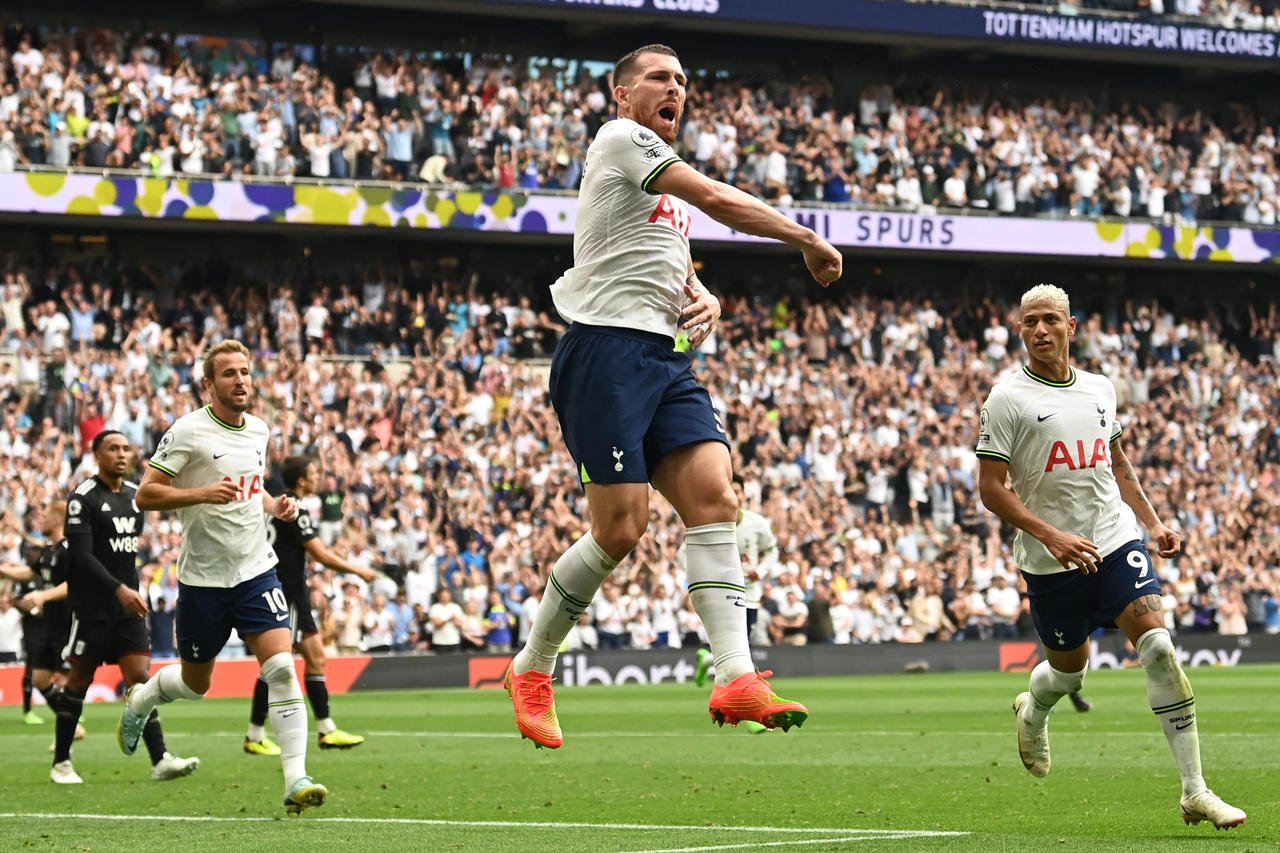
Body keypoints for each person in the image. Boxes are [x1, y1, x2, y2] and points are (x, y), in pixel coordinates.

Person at [505, 43, 842, 749]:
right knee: (622, 529)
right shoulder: (622, 138)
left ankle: (736, 677)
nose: (676, 89)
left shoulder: (653, 184)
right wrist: (804, 235)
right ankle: (532, 667)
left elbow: (664, 258)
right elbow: (717, 199)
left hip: (665, 356)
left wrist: (705, 296)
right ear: (620, 93)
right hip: (604, 352)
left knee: (716, 497)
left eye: (684, 81)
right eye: (660, 77)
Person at [975, 284, 1245, 830]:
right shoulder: (1007, 399)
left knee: (1160, 647)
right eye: (1030, 322)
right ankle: (1036, 708)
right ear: (1020, 329)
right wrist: (1050, 535)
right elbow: (991, 488)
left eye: (1051, 320)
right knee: (1068, 674)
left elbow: (1116, 463)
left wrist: (1153, 521)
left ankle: (1195, 790)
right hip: (1052, 559)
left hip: (1115, 537)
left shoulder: (1100, 389)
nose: (1041, 331)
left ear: (1072, 328)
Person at [117, 340, 328, 815]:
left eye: (246, 372)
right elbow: (146, 495)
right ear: (209, 384)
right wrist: (203, 492)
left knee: (280, 668)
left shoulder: (260, 429)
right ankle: (143, 698)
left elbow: (253, 488)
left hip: (256, 570)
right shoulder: (188, 431)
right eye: (229, 373)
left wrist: (276, 505)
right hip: (203, 581)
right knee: (196, 686)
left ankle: (296, 778)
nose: (241, 381)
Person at [51, 431, 199, 785]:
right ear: (96, 456)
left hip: (128, 606)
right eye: (112, 449)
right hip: (92, 609)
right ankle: (61, 762)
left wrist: (129, 588)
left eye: (125, 448)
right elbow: (82, 557)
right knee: (79, 682)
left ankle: (160, 758)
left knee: (140, 680)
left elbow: (125, 554)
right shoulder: (82, 499)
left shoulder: (136, 497)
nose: (121, 454)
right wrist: (119, 589)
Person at [242, 455, 382, 756]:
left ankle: (326, 730)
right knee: (275, 664)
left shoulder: (274, 506)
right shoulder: (294, 508)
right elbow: (320, 554)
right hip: (285, 592)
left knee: (315, 657)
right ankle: (255, 733)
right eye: (315, 472)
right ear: (302, 480)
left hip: (292, 592)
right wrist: (358, 570)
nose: (319, 476)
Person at [1, 502, 70, 726]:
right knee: (40, 679)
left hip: (68, 623)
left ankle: (69, 731)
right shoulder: (48, 550)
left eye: (46, 515)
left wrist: (43, 596)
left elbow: (76, 584)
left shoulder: (70, 549)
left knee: (66, 680)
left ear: (58, 519)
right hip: (48, 624)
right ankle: (71, 724)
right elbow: (30, 573)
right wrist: (3, 570)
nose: (41, 520)